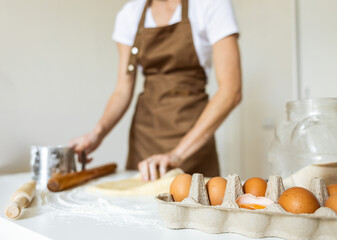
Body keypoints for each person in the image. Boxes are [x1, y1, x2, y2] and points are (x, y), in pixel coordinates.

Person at [69, 0, 242, 181]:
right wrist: (97, 133)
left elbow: (231, 91)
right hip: (145, 138)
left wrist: (178, 154)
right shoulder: (130, 14)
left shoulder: (210, 5)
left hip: (193, 140)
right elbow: (122, 90)